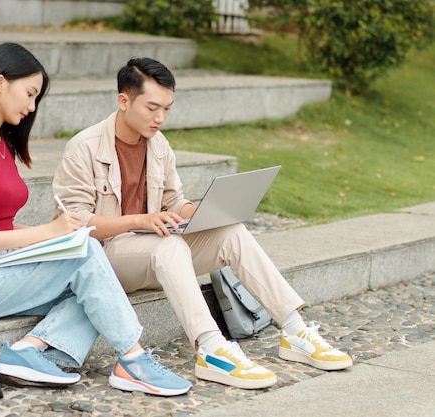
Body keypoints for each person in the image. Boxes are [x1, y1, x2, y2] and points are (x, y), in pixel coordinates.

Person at [52, 57, 353, 390]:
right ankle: (211, 349)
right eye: (153, 108)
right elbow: (75, 223)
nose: (160, 118)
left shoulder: (159, 145)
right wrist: (140, 220)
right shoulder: (84, 147)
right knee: (170, 246)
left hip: (155, 249)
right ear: (124, 100)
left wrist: (196, 211)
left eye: (167, 108)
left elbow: (172, 202)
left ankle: (295, 331)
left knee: (231, 232)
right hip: (107, 257)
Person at [0, 44, 192, 397]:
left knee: (93, 282)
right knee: (87, 255)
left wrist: (59, 236)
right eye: (29, 93)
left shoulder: (1, 144)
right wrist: (49, 232)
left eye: (36, 97)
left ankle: (28, 349)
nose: (31, 106)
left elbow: (2, 225)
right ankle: (133, 358)